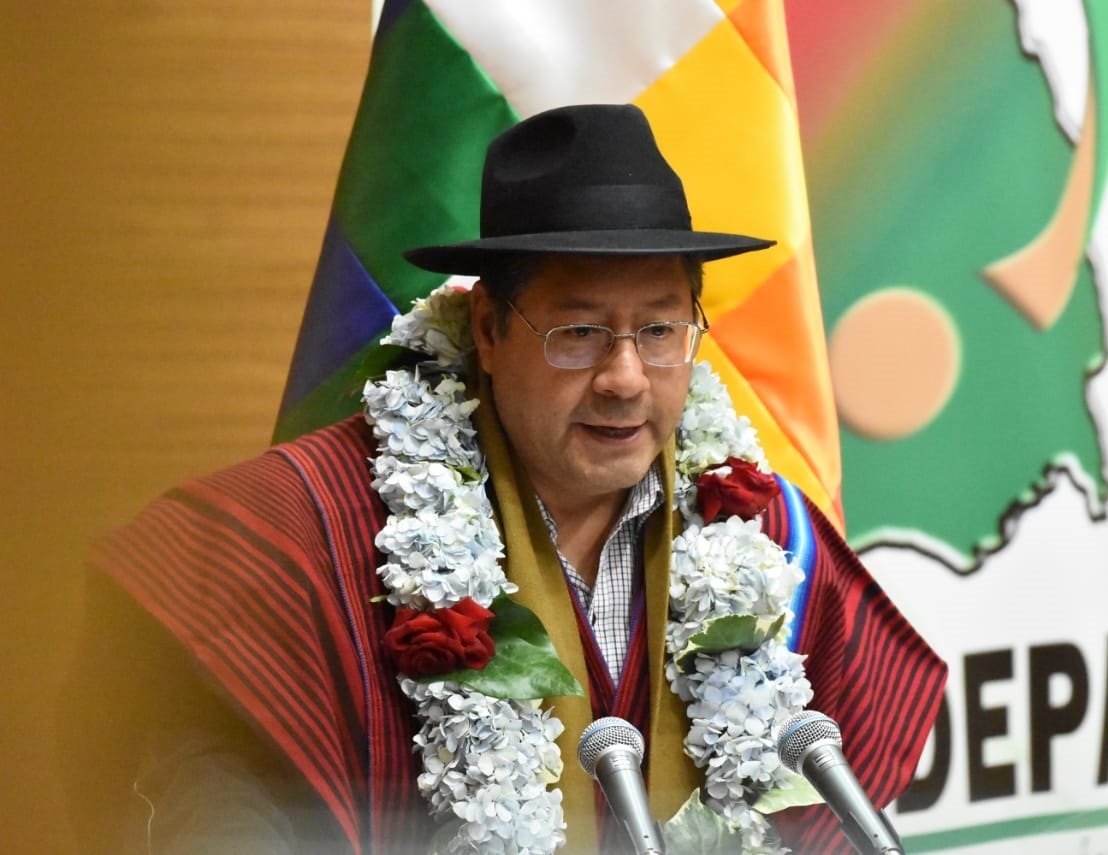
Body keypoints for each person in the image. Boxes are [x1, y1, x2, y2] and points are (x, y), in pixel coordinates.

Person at [60, 104, 946, 854]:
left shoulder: (766, 536)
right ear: (486, 326)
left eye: (662, 330)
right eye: (580, 332)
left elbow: (826, 802)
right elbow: (197, 774)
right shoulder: (315, 525)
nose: (627, 378)